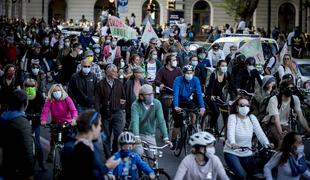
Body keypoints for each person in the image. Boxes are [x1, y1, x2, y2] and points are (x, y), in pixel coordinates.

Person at [224, 95, 272, 179]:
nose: (245, 107)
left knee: (252, 175)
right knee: (242, 176)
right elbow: (230, 132)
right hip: (232, 152)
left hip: (247, 153)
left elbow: (260, 133)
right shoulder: (232, 117)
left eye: (247, 105)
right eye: (242, 105)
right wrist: (232, 143)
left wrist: (267, 143)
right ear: (236, 107)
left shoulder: (252, 118)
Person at [65, 110, 121, 180]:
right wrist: (107, 167)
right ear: (93, 127)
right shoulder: (81, 149)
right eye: (100, 125)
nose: (100, 128)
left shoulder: (73, 144)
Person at [262, 80, 310, 147]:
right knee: (282, 140)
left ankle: (293, 156)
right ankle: (279, 156)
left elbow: (301, 117)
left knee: (295, 140)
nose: (291, 90)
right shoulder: (274, 99)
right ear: (283, 89)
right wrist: (281, 133)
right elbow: (276, 119)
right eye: (289, 88)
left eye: (292, 88)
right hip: (271, 124)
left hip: (285, 124)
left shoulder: (295, 99)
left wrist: (308, 130)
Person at [0, 89, 34, 180]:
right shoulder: (22, 122)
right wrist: (30, 172)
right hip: (18, 169)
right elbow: (28, 149)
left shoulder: (3, 116)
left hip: (4, 165)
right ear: (25, 103)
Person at [40, 83, 78, 162]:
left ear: (62, 91)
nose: (57, 92)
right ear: (52, 92)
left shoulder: (67, 99)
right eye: (55, 91)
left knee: (68, 140)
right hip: (55, 122)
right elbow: (45, 111)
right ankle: (51, 153)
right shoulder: (50, 100)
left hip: (67, 122)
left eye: (58, 90)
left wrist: (74, 119)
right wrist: (43, 120)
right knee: (53, 139)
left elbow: (73, 110)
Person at [170, 65, 206, 148]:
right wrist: (176, 106)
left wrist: (202, 106)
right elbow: (175, 94)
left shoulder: (195, 80)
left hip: (188, 100)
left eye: (191, 73)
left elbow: (199, 94)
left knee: (193, 113)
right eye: (187, 73)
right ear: (183, 73)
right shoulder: (178, 80)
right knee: (178, 123)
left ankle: (190, 128)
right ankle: (174, 140)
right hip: (178, 101)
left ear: (193, 73)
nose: (189, 74)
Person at [95, 63, 126, 157]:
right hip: (105, 114)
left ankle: (114, 152)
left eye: (116, 71)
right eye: (114, 71)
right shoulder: (100, 84)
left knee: (118, 134)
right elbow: (97, 100)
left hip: (117, 113)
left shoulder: (119, 83)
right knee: (106, 137)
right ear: (107, 72)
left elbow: (123, 97)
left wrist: (122, 107)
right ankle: (108, 156)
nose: (116, 73)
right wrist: (98, 114)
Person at [130, 84, 171, 154]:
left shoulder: (157, 103)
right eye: (148, 95)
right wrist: (136, 136)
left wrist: (166, 137)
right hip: (137, 134)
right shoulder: (135, 105)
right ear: (141, 96)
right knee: (139, 152)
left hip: (149, 134)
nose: (151, 96)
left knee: (153, 157)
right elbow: (135, 121)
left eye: (152, 94)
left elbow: (161, 121)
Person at [206, 60, 237, 134]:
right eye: (222, 66)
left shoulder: (227, 74)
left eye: (225, 66)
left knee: (226, 111)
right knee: (216, 112)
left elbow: (231, 85)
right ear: (218, 67)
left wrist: (237, 93)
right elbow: (210, 87)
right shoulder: (214, 74)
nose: (224, 67)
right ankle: (210, 127)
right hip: (211, 95)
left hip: (219, 95)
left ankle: (226, 130)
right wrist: (211, 95)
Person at [24, 78, 46, 171]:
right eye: (28, 86)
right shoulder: (23, 95)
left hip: (36, 119)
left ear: (36, 86)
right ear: (24, 86)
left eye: (32, 86)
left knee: (37, 141)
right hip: (25, 119)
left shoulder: (39, 95)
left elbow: (43, 108)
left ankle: (41, 164)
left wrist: (41, 116)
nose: (30, 87)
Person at [155, 55, 183, 125]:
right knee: (164, 109)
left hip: (176, 93)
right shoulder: (162, 70)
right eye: (173, 60)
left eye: (175, 60)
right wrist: (160, 84)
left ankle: (178, 123)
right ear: (168, 62)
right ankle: (165, 124)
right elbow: (156, 80)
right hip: (166, 92)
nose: (175, 61)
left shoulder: (178, 70)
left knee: (180, 107)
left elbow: (183, 79)